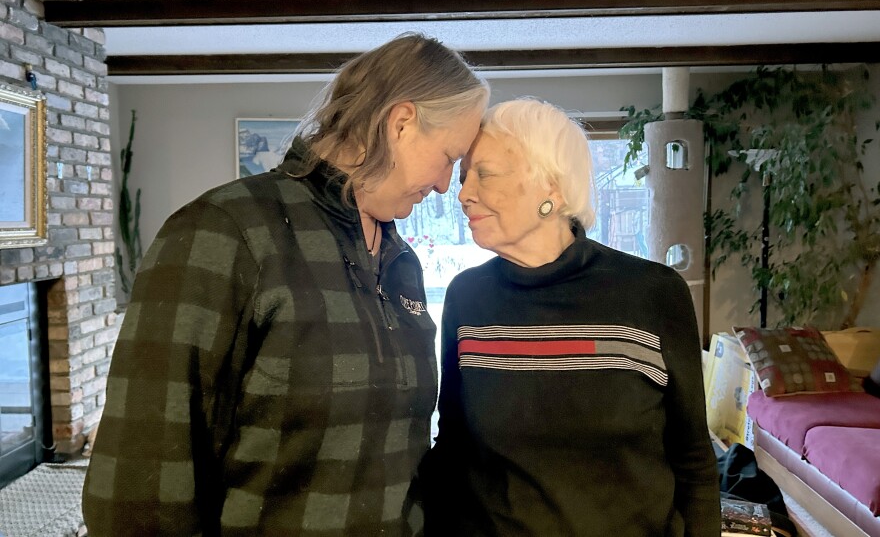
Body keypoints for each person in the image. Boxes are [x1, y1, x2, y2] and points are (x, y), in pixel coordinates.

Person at [82, 33, 489, 536]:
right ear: (401, 123)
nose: (448, 184)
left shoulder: (402, 261)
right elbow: (138, 478)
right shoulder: (224, 231)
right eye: (448, 156)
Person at [421, 98, 720, 536]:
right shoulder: (468, 297)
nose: (463, 193)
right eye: (465, 176)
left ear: (553, 188)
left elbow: (693, 459)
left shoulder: (652, 292)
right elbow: (453, 446)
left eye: (484, 173)